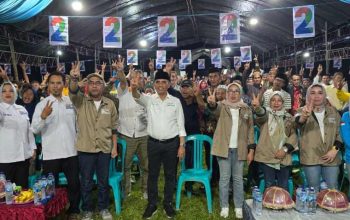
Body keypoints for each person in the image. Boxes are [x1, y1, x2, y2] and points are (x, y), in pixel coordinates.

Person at [131, 70, 186, 219]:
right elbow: (136, 96)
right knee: (152, 174)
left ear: (169, 84)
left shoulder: (175, 101)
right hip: (153, 144)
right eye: (158, 82)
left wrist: (181, 145)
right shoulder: (149, 99)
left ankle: (168, 203)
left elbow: (181, 125)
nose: (160, 85)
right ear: (154, 84)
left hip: (171, 144)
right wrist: (134, 87)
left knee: (170, 175)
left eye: (164, 82)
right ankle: (152, 204)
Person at [68, 62, 118, 220]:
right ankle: (88, 209)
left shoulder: (109, 104)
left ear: (103, 87)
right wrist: (74, 78)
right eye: (92, 83)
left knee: (103, 181)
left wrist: (114, 147)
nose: (95, 86)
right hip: (86, 149)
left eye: (98, 83)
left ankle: (103, 208)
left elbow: (114, 128)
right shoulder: (80, 101)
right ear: (87, 86)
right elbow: (72, 91)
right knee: (87, 182)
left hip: (104, 149)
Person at [32, 71, 80, 219]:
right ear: (48, 85)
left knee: (74, 184)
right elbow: (34, 129)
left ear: (63, 84)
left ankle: (74, 210)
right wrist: (43, 117)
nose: (55, 86)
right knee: (50, 188)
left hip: (71, 152)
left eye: (58, 83)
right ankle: (52, 213)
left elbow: (77, 125)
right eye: (52, 83)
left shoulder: (70, 103)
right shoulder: (42, 105)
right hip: (51, 154)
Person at [209, 82, 255, 219]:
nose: (233, 94)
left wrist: (251, 150)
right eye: (230, 91)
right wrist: (211, 103)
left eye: (236, 91)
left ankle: (238, 206)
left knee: (238, 179)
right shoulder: (222, 106)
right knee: (224, 179)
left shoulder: (246, 109)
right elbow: (213, 109)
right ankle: (224, 206)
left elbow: (251, 130)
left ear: (240, 93)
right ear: (227, 93)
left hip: (240, 149)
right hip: (223, 148)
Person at [296, 83, 343, 192]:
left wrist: (334, 150)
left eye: (320, 93)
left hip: (331, 157)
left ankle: (331, 209)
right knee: (313, 190)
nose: (316, 96)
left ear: (324, 95)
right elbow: (296, 123)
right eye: (312, 93)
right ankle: (313, 209)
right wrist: (303, 117)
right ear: (308, 96)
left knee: (332, 189)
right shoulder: (301, 111)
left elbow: (340, 133)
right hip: (311, 157)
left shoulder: (333, 112)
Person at [113, 57, 149, 199]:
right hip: (126, 135)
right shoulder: (122, 92)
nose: (137, 80)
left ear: (143, 81)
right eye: (134, 77)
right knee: (125, 166)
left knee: (146, 165)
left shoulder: (147, 97)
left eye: (140, 78)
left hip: (144, 135)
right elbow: (122, 80)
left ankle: (145, 190)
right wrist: (121, 71)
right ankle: (126, 190)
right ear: (130, 79)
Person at [252, 91, 297, 191]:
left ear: (283, 102)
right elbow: (260, 115)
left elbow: (293, 136)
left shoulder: (289, 118)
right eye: (273, 100)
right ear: (269, 102)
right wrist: (258, 108)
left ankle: (284, 205)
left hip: (284, 157)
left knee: (283, 186)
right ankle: (269, 205)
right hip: (267, 156)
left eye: (279, 100)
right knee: (269, 185)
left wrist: (285, 150)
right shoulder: (266, 115)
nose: (276, 103)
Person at [0, 68, 36, 188]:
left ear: (15, 93)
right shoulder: (0, 108)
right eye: (4, 91)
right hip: (6, 159)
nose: (8, 93)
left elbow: (29, 131)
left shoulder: (22, 109)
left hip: (23, 157)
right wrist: (5, 79)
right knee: (6, 194)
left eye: (11, 90)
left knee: (22, 191)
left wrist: (33, 148)